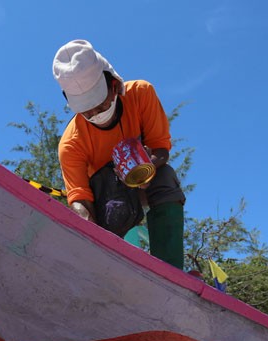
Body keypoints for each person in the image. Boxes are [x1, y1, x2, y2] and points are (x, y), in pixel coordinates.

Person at [51, 40, 186, 269]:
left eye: (101, 106)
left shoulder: (141, 94)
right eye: (87, 111)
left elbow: (160, 147)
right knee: (113, 215)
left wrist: (147, 171)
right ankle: (104, 270)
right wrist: (89, 237)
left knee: (166, 179)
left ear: (114, 86)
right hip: (106, 199)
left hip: (146, 175)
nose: (95, 114)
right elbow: (80, 198)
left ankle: (170, 269)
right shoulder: (70, 144)